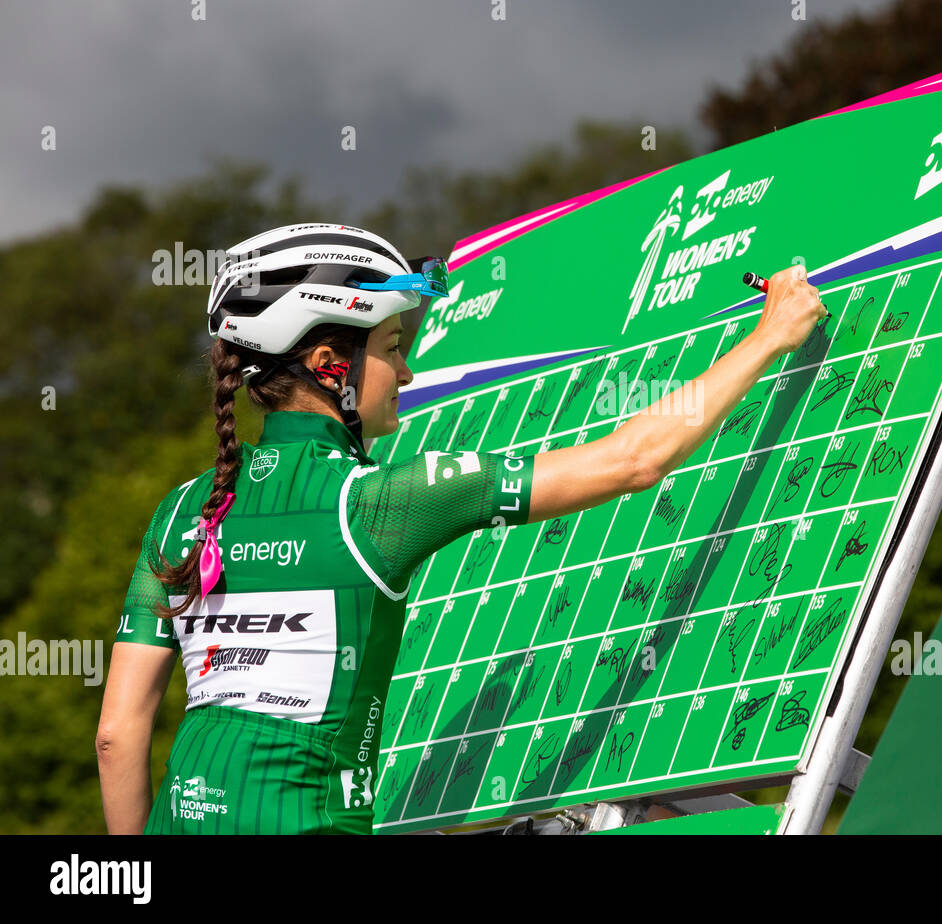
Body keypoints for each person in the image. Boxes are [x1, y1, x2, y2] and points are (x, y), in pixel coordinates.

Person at [96, 222, 826, 834]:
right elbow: (632, 460)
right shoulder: (382, 499)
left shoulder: (182, 509)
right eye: (390, 349)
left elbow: (117, 735)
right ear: (328, 365)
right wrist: (769, 338)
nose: (407, 373)